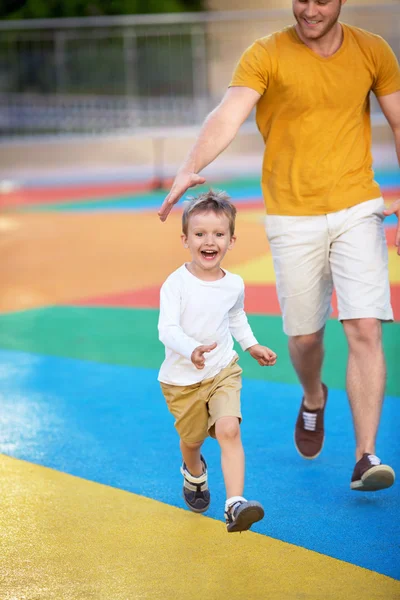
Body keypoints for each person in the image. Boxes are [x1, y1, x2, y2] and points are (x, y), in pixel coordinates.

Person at [158, 0, 400, 491]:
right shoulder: (265, 54)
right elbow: (228, 114)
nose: (310, 9)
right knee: (306, 336)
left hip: (357, 204)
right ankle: (313, 396)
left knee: (364, 326)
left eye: (322, 0)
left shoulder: (372, 51)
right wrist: (189, 165)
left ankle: (365, 455)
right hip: (292, 215)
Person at [158, 190, 277, 532]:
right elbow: (166, 328)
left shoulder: (234, 284)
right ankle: (194, 472)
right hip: (182, 380)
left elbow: (236, 316)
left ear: (231, 240)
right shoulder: (175, 284)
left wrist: (251, 345)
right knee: (192, 440)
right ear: (185, 239)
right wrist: (190, 348)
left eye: (218, 234)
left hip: (223, 368)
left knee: (229, 428)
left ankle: (235, 503)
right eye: (200, 234)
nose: (209, 242)